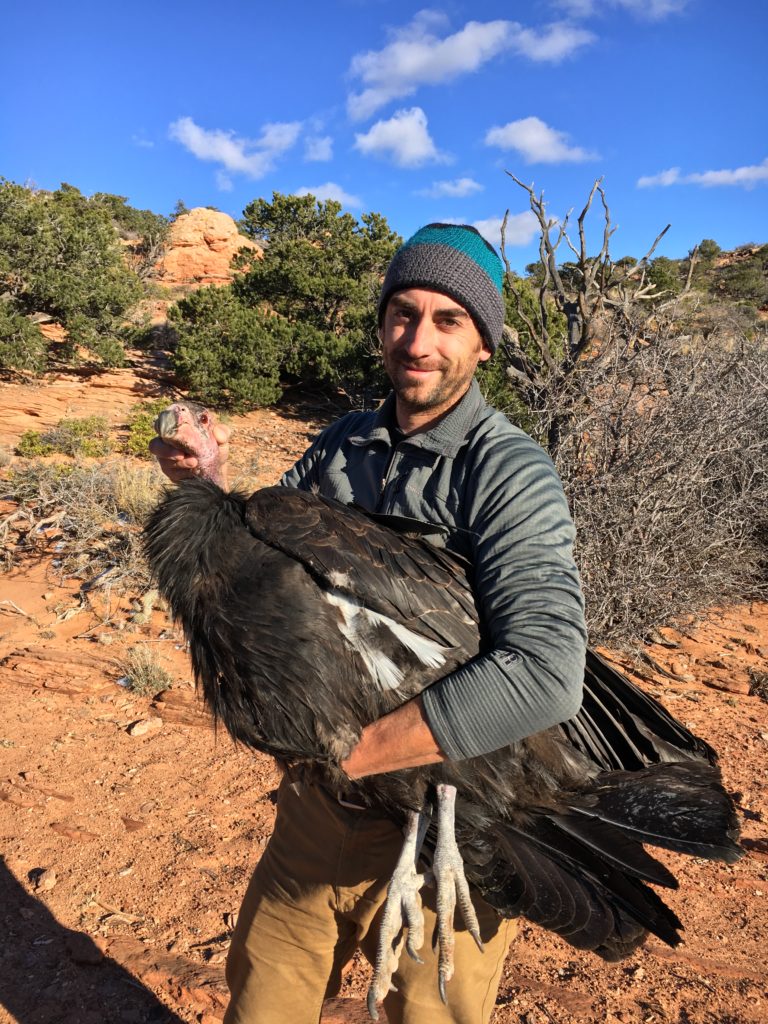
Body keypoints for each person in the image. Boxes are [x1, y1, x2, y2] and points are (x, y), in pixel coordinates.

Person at [150, 223, 587, 1024]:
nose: (418, 341)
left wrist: (360, 752)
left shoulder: (507, 472)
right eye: (402, 313)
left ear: (484, 342)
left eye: (448, 320)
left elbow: (547, 671)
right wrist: (209, 484)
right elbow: (266, 557)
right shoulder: (346, 444)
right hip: (325, 813)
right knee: (263, 1003)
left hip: (450, 817)